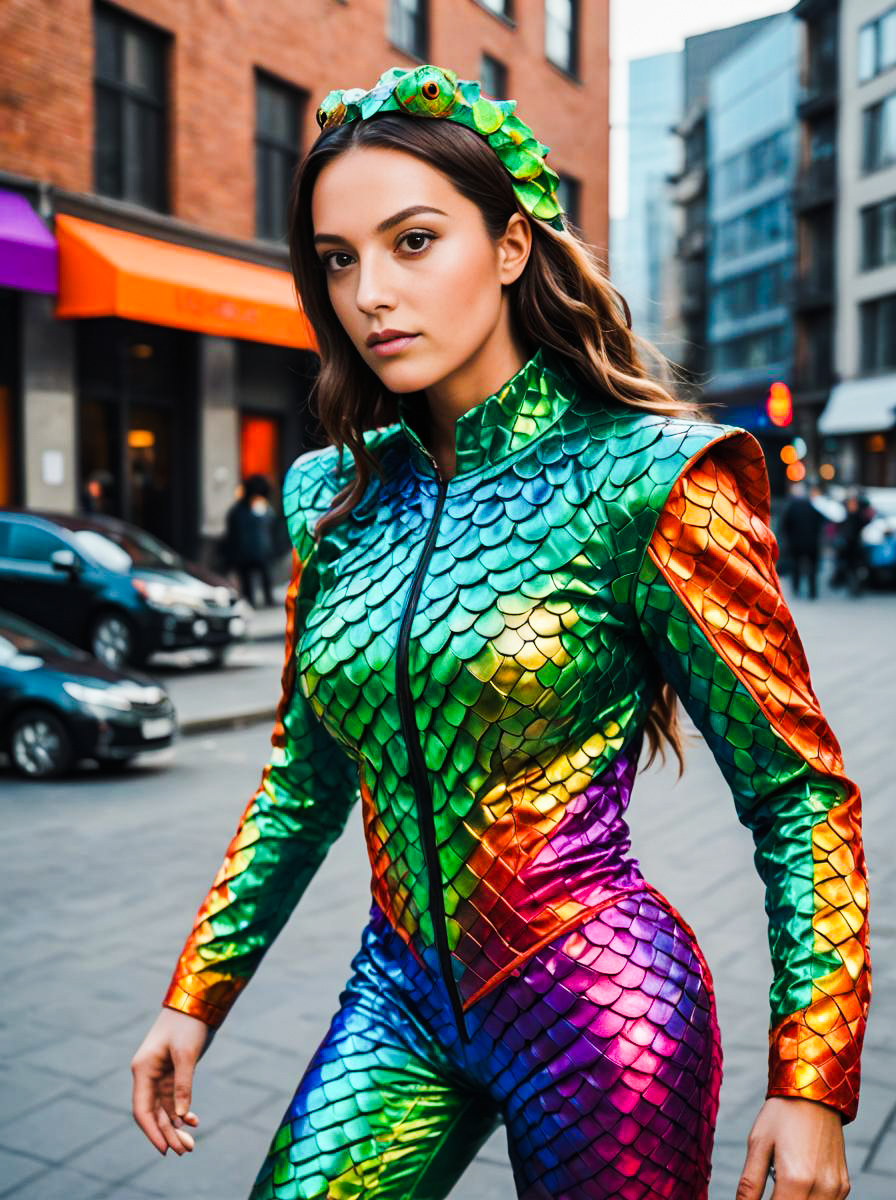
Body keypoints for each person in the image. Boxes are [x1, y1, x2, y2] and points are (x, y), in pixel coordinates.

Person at [130, 64, 871, 1200]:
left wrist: (810, 1078)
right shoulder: (335, 494)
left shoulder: (646, 477)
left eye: (412, 241)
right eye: (338, 258)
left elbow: (795, 793)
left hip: (600, 1008)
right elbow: (299, 780)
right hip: (397, 996)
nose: (369, 292)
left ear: (512, 247)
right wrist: (195, 995)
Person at [222, 474, 277, 608]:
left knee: (264, 576)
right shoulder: (238, 511)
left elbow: (271, 525)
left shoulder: (259, 508)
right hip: (246, 552)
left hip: (259, 551)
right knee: (248, 579)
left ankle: (265, 599)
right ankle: (252, 601)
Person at [780, 480, 827, 599]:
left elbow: (785, 525)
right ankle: (812, 592)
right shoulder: (813, 507)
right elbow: (821, 523)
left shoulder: (792, 507)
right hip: (812, 542)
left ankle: (796, 589)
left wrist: (788, 539)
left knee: (795, 566)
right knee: (812, 568)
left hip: (796, 543)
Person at [832, 493, 873, 598]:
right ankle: (849, 586)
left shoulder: (859, 517)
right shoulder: (844, 516)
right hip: (847, 549)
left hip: (856, 549)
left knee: (857, 569)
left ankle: (856, 588)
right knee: (848, 568)